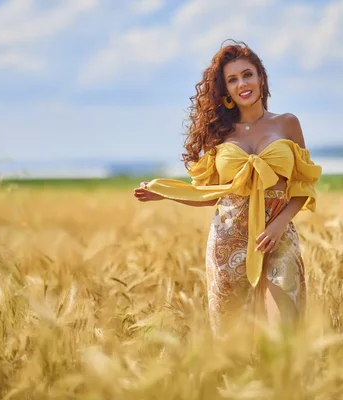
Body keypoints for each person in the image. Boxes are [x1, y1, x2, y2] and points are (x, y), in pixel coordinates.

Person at [133, 40, 322, 337]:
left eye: (247, 74)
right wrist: (165, 192)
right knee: (234, 342)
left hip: (276, 238)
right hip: (227, 243)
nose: (242, 84)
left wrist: (279, 225)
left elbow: (302, 184)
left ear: (261, 77)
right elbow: (209, 195)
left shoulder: (287, 124)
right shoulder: (219, 135)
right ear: (226, 90)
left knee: (283, 332)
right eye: (232, 80)